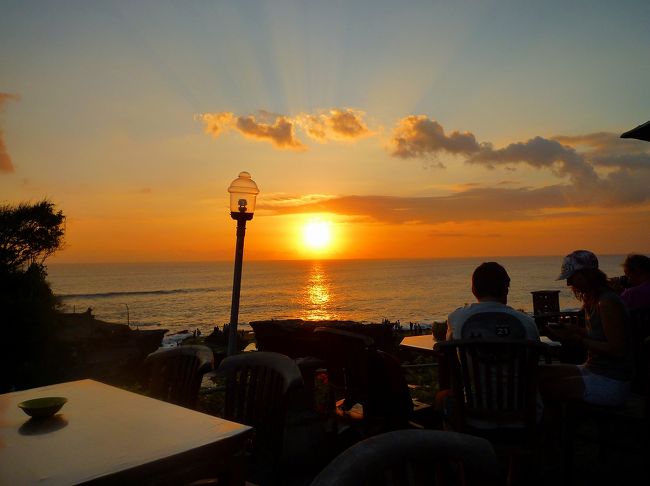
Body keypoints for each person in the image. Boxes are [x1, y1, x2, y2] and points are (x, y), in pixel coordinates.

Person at [539, 250, 634, 407]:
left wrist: (578, 339)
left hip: (611, 380)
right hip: (593, 369)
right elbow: (600, 335)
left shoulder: (607, 302)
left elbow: (617, 349)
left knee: (545, 387)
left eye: (572, 277)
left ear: (588, 275)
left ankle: (557, 428)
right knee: (538, 373)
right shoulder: (596, 299)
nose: (568, 283)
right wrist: (574, 330)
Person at [445, 261, 539, 341]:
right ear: (506, 289)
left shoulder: (456, 318)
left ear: (474, 290)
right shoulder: (526, 322)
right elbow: (534, 357)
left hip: (468, 363)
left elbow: (448, 352)